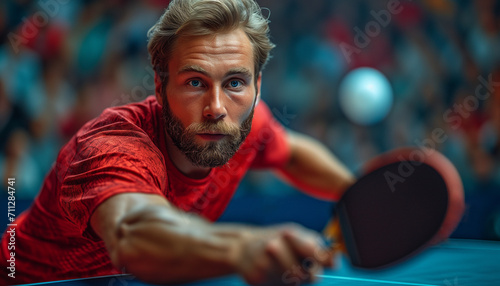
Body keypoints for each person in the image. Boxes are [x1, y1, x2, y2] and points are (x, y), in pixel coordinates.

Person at [0, 0, 354, 285]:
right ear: (159, 86)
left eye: (234, 82)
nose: (216, 108)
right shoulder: (110, 146)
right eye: (195, 83)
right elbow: (132, 233)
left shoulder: (243, 123)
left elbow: (290, 153)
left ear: (257, 88)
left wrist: (357, 194)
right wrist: (243, 247)